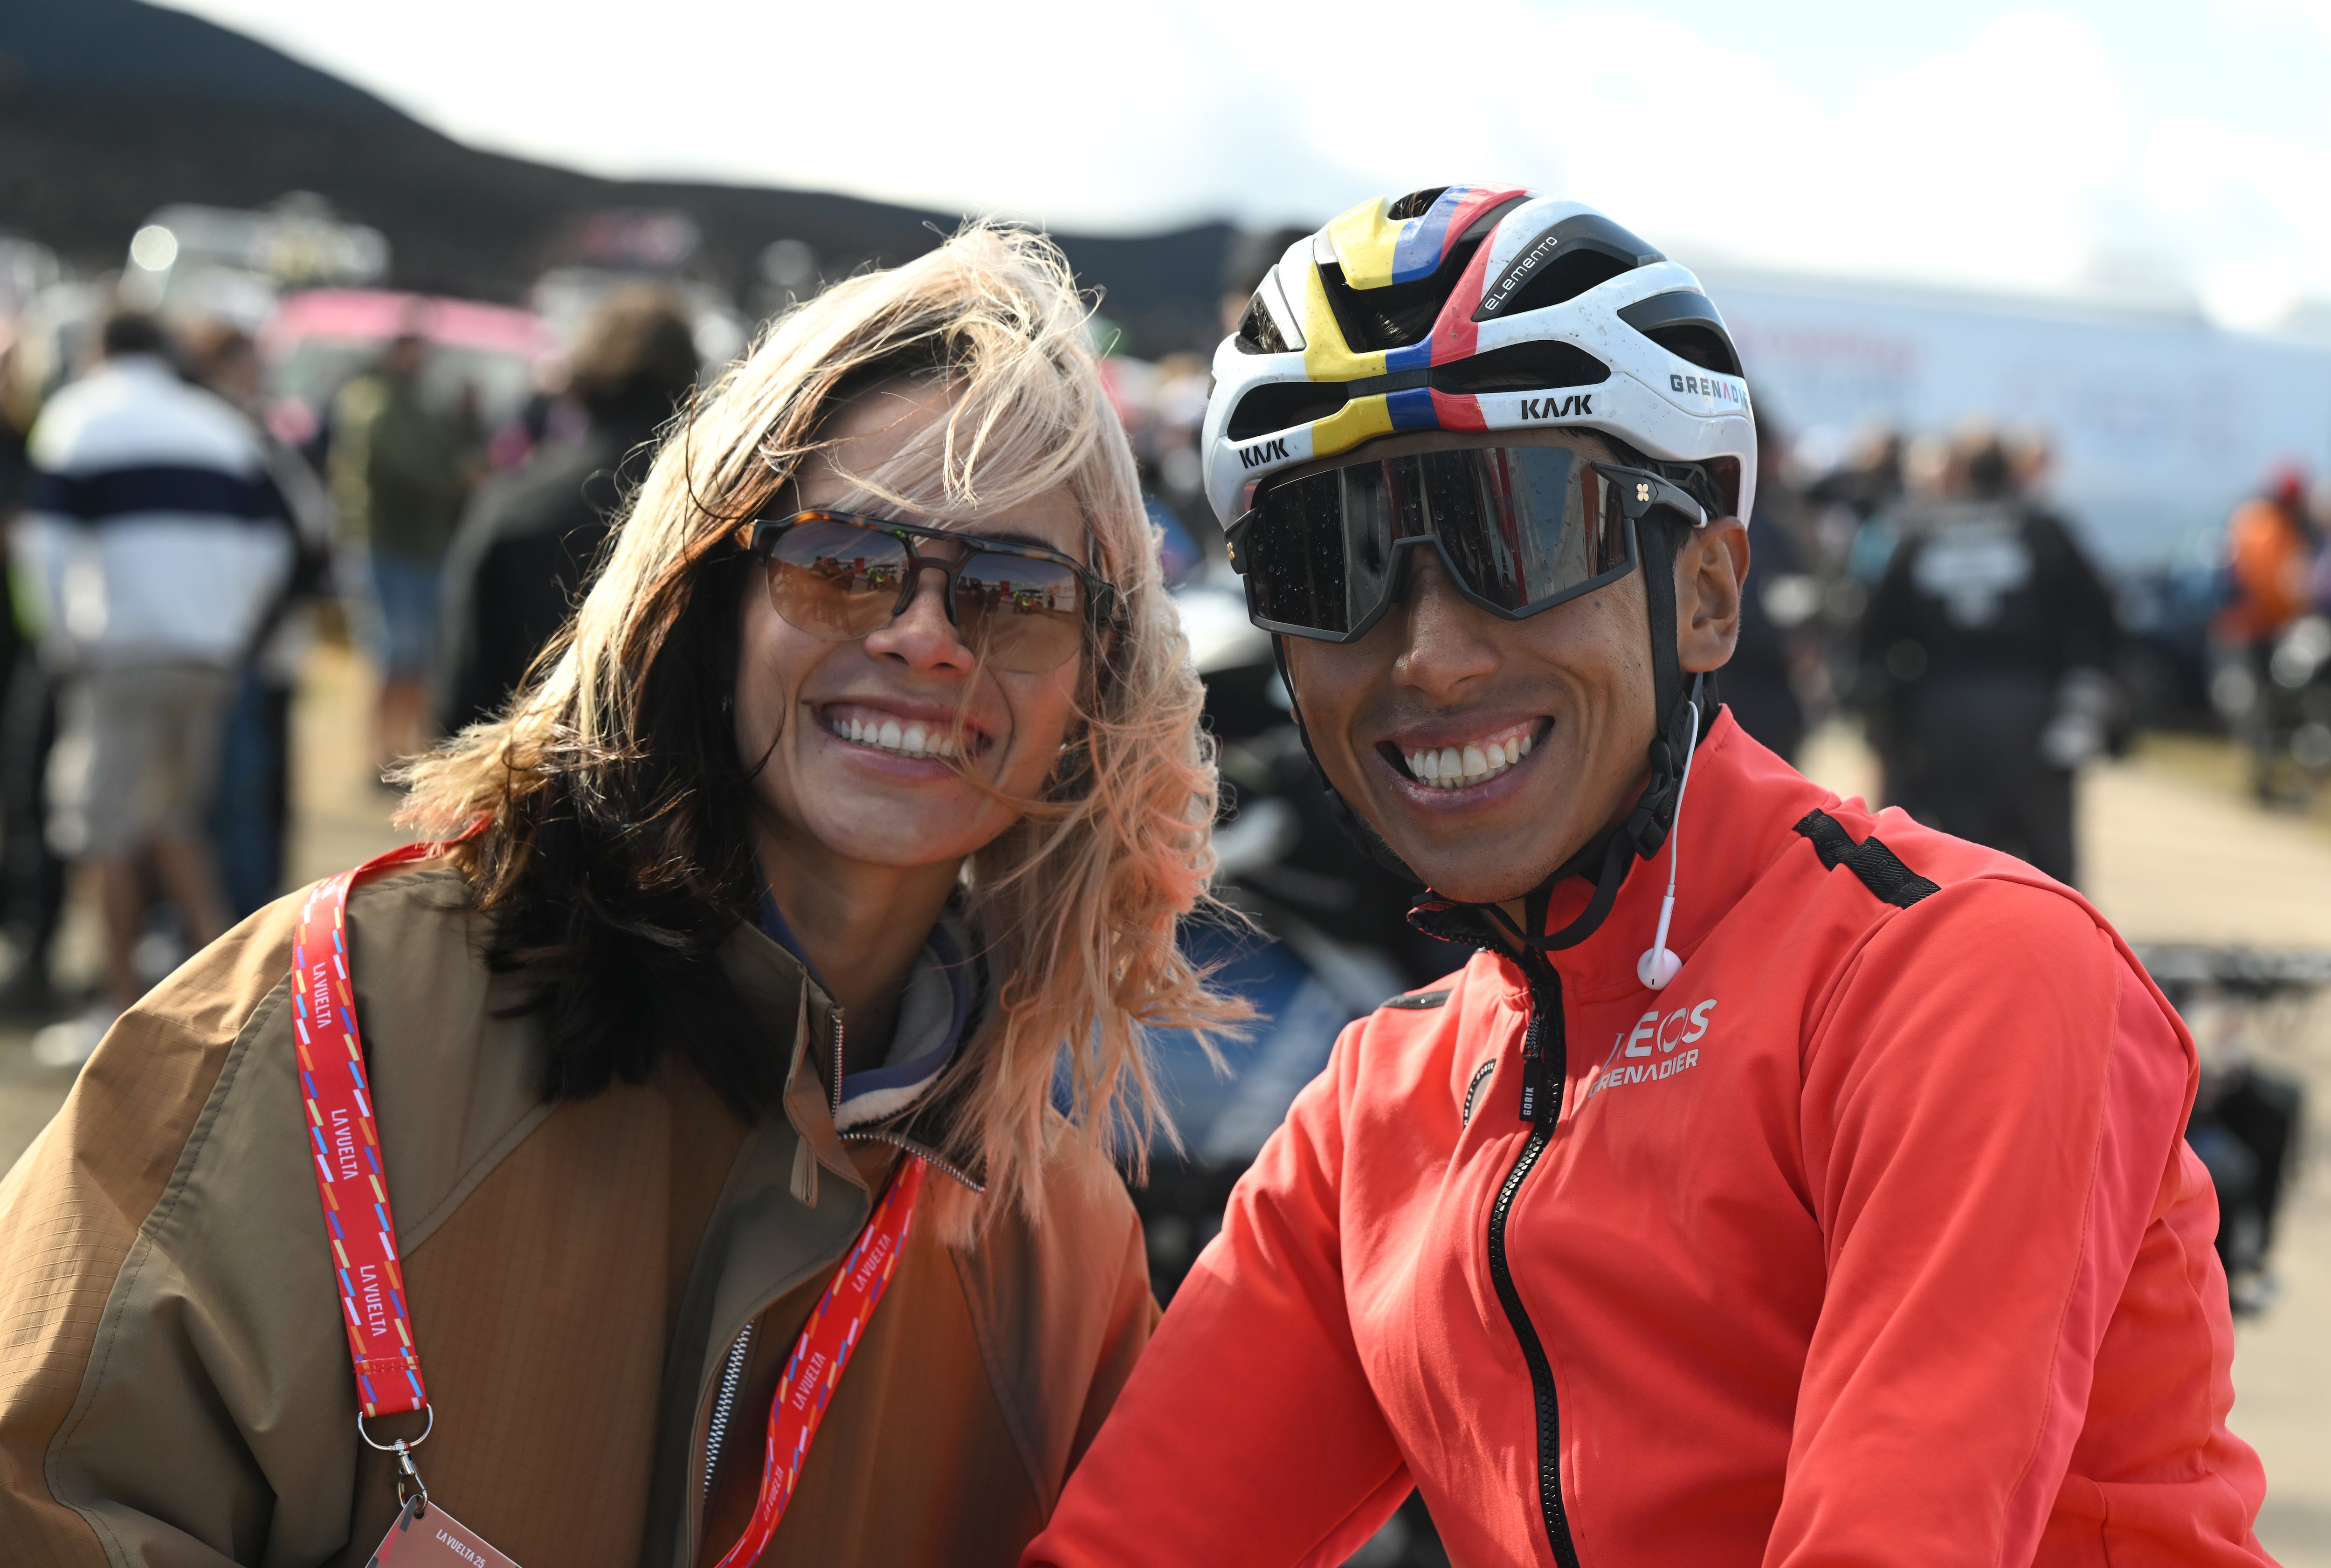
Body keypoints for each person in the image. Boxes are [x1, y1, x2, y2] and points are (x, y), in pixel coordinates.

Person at [1027, 186, 2268, 1567]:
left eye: (1520, 534)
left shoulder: (1958, 977)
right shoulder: (1370, 1118)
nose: (1428, 653)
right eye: (1333, 561)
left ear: (1706, 592)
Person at [0, 227, 1240, 1565]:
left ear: (1093, 691)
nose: (923, 635)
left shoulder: (1063, 1258)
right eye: (844, 562)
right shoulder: (329, 1029)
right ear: (713, 600)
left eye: (1010, 591)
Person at [8, 310, 295, 1066]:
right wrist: (226, 627)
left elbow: (43, 543)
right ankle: (245, 1005)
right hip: (207, 654)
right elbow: (271, 546)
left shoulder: (81, 415)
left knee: (105, 831)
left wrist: (62, 637)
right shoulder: (217, 425)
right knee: (173, 822)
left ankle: (115, 1009)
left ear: (102, 351)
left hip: (122, 652)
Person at [1859, 423, 2120, 886]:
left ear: (1955, 473)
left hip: (1943, 719)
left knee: (1960, 867)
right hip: (2032, 718)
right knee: (2048, 869)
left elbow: (1875, 632)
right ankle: (2059, 955)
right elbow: (2099, 617)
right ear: (2012, 473)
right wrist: (2087, 701)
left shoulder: (1922, 531)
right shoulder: (2043, 531)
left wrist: (1891, 721)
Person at [435, 285, 699, 734]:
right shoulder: (720, 510)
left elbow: (466, 691)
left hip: (528, 773)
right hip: (683, 790)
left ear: (582, 374)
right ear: (688, 377)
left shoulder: (514, 504)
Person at [182, 320, 337, 916]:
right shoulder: (231, 435)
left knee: (246, 797)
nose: (260, 376)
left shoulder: (250, 436)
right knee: (244, 797)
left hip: (254, 649)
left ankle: (251, 924)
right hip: (248, 646)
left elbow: (304, 541)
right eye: (249, 363)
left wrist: (252, 633)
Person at [330, 328, 472, 774]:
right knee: (393, 656)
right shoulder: (372, 400)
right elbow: (407, 464)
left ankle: (404, 753)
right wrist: (457, 478)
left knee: (417, 659)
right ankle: (381, 755)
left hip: (423, 546)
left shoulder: (419, 402)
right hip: (386, 544)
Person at [2214, 464, 2323, 803]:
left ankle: (2262, 776)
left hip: (2259, 628)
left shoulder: (2257, 522)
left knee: (2265, 706)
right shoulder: (2268, 526)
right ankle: (2260, 777)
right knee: (2261, 706)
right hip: (2256, 629)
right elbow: (2269, 586)